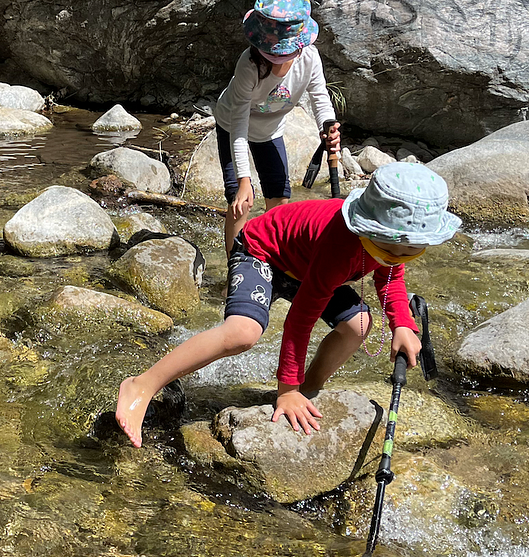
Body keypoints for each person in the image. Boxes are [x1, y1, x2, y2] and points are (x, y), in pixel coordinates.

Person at [115, 163, 461, 448]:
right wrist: (286, 390)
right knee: (242, 333)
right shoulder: (341, 243)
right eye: (390, 248)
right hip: (262, 252)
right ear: (368, 228)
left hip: (304, 264)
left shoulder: (388, 240)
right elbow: (299, 321)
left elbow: (389, 279)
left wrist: (402, 323)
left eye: (410, 250)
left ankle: (312, 387)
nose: (395, 256)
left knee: (358, 325)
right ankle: (143, 384)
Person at [212, 0, 341, 254]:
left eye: (284, 54)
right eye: (272, 54)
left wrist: (328, 125)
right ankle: (234, 271)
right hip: (232, 125)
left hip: (270, 131)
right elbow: (239, 125)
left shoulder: (310, 58)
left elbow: (319, 97)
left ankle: (272, 263)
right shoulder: (248, 65)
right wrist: (245, 181)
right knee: (241, 201)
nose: (278, 61)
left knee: (280, 201)